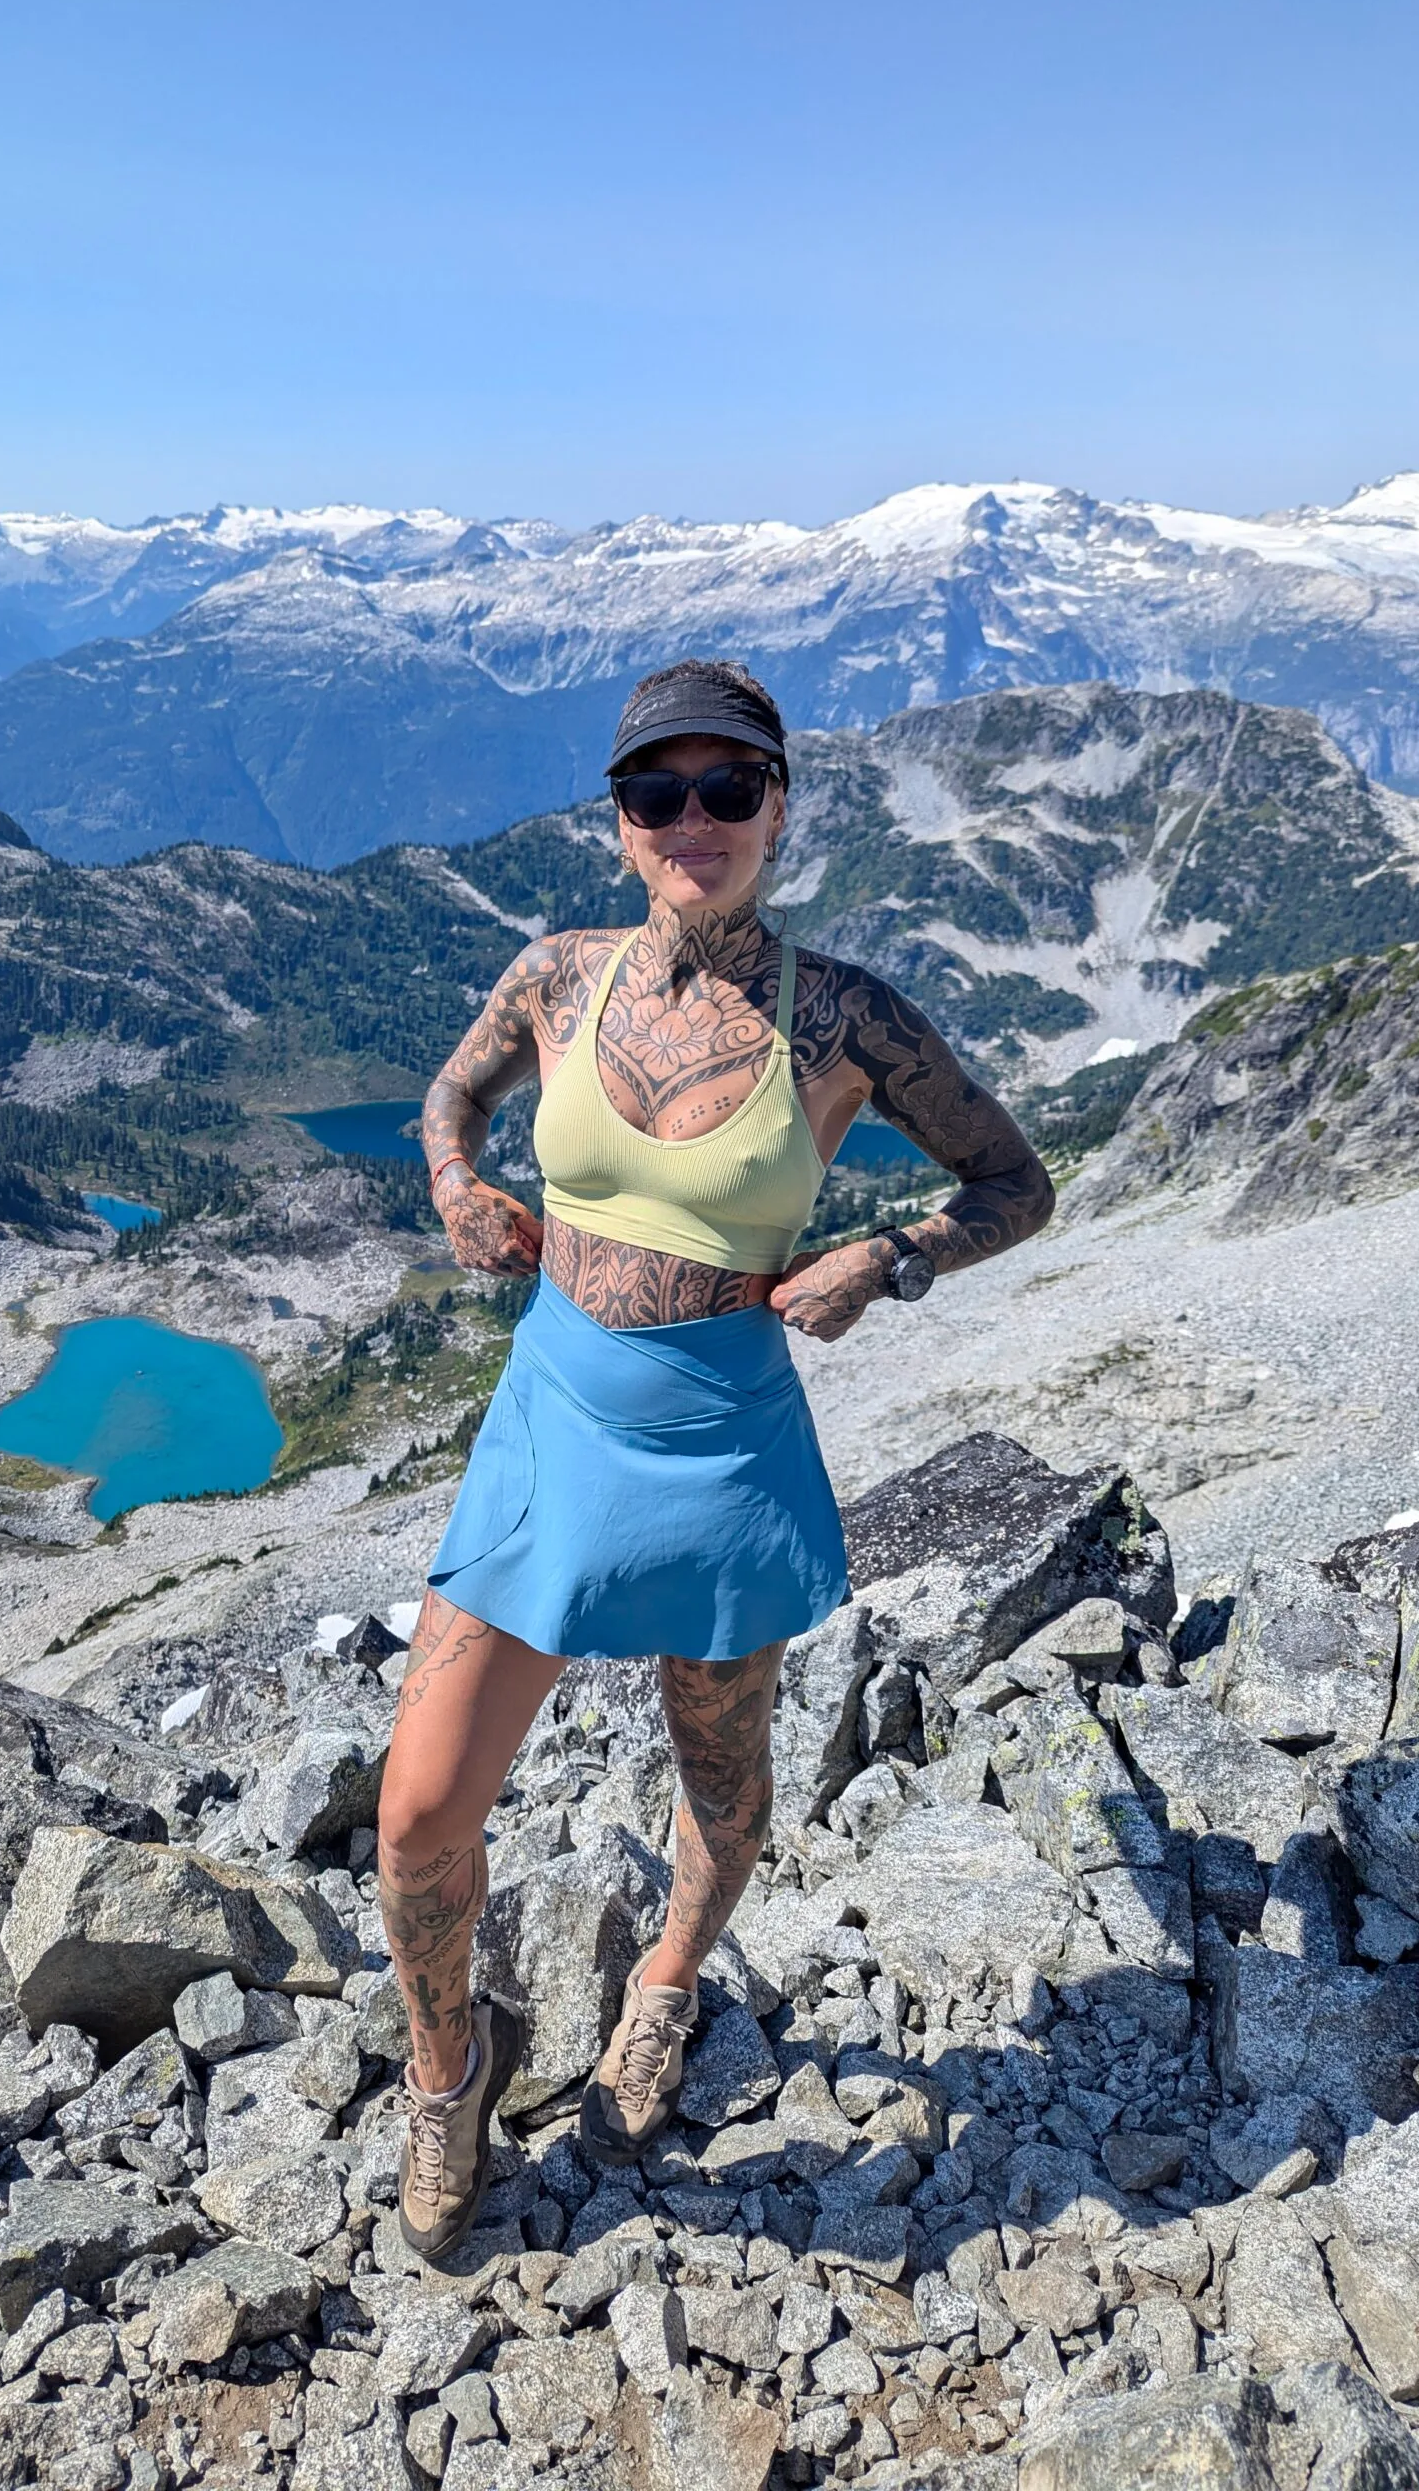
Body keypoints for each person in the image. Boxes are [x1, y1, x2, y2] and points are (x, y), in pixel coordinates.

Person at [378, 658, 1055, 2261]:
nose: (695, 822)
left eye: (727, 790)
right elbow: (448, 1094)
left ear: (777, 811)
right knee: (416, 1813)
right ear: (619, 826)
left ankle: (667, 1987)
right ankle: (447, 2071)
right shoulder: (554, 977)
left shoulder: (847, 1016)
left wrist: (891, 1256)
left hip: (724, 1438)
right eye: (657, 795)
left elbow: (1017, 1184)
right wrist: (452, 1180)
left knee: (725, 1778)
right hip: (551, 1416)